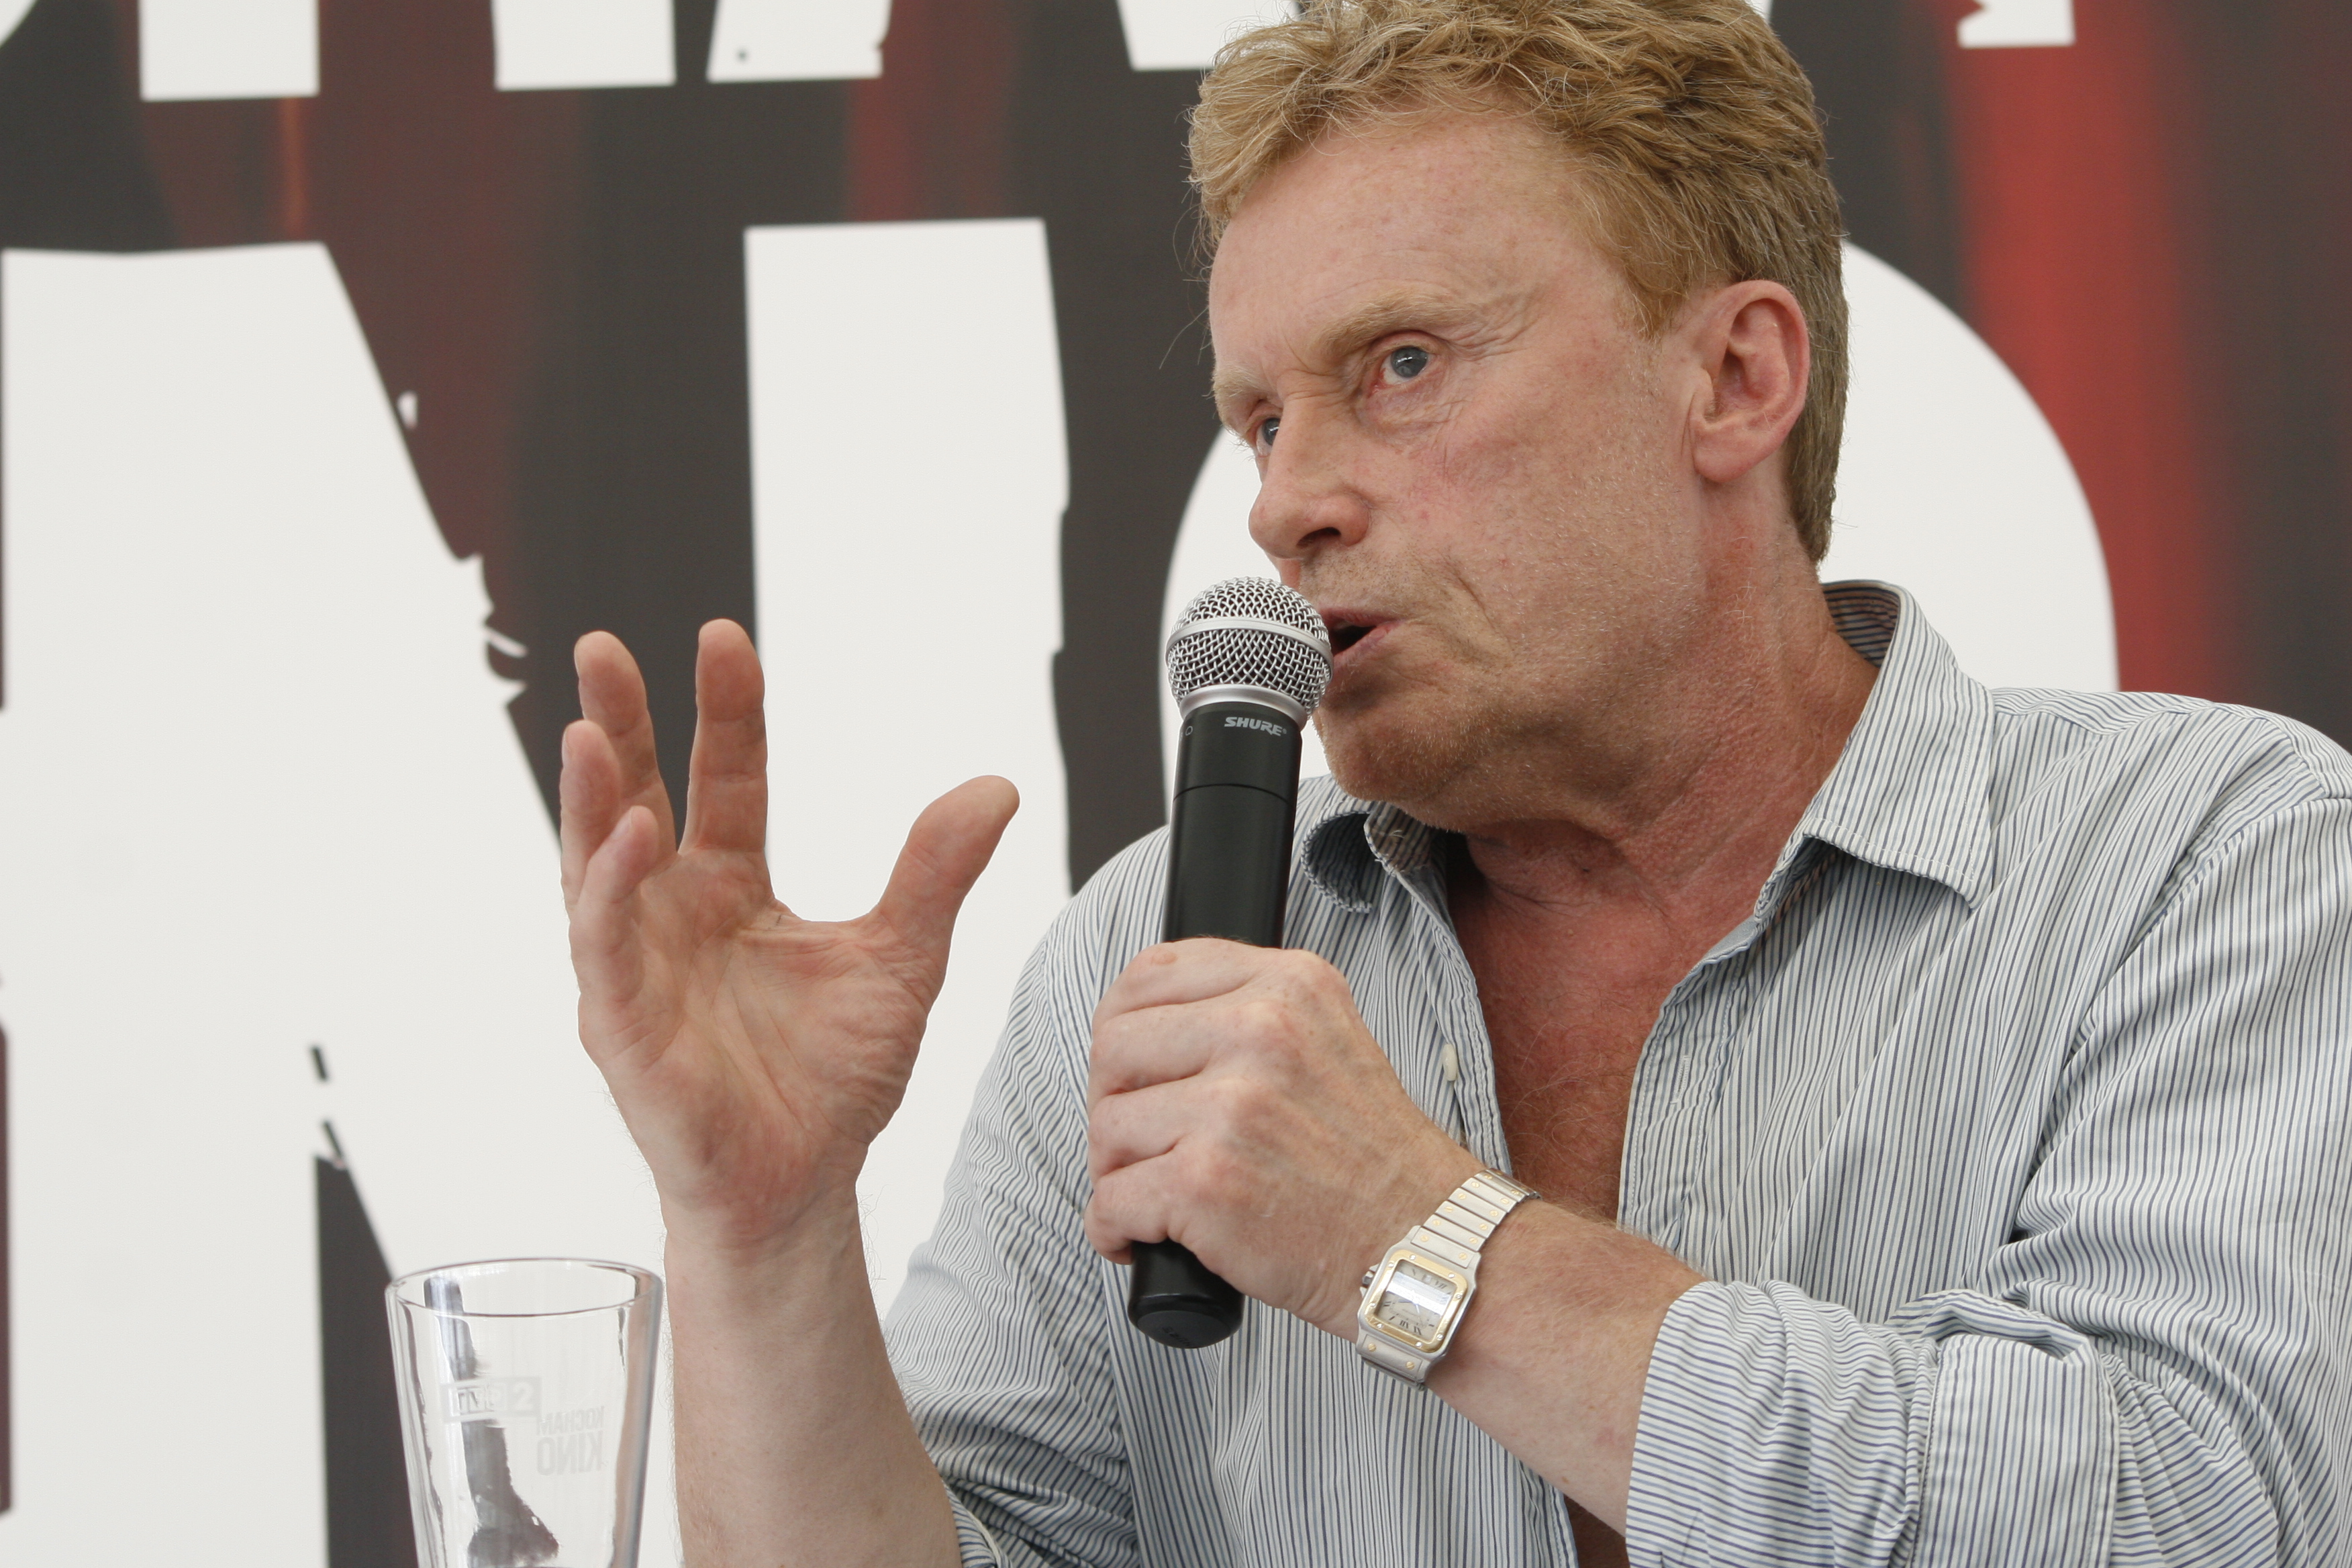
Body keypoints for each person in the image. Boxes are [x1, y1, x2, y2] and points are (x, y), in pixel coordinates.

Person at [557, 1, 2352, 1562]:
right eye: (1263, 419)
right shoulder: (1147, 957)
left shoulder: (2207, 859)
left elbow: (2193, 1510)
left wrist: (1412, 1236)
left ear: (1736, 379)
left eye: (1401, 366)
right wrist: (763, 1239)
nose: (1286, 503)